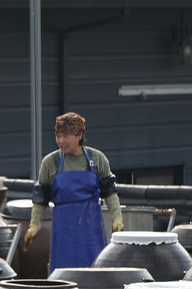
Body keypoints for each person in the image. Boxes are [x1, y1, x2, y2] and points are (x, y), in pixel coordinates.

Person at [25, 112, 124, 272]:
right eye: (58, 136)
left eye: (66, 136)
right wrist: (34, 225)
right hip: (63, 233)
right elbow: (40, 198)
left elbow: (110, 193)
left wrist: (117, 218)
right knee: (63, 276)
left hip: (91, 231)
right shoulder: (50, 162)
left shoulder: (97, 159)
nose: (61, 141)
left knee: (94, 273)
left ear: (80, 135)